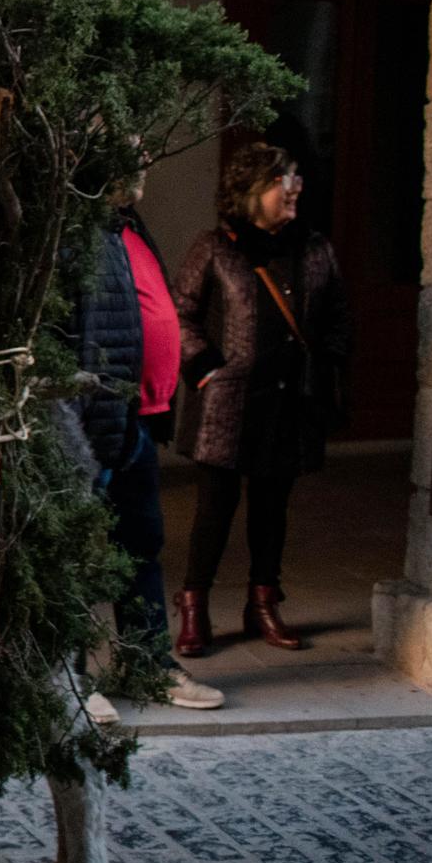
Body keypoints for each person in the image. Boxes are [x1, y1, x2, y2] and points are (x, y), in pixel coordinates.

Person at [172, 141, 352, 652]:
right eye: (282, 180)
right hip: (228, 406)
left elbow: (339, 314)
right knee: (214, 508)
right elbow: (179, 310)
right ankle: (194, 607)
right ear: (252, 192)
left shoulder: (315, 248)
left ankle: (262, 606)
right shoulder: (216, 247)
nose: (295, 189)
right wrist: (207, 369)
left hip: (290, 400)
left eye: (296, 178)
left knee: (272, 508)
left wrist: (327, 364)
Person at [66, 170, 225, 721]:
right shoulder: (74, 228)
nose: (143, 164)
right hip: (92, 422)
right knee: (77, 555)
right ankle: (72, 682)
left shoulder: (126, 224)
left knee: (141, 545)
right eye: (131, 151)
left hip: (137, 418)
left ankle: (146, 665)